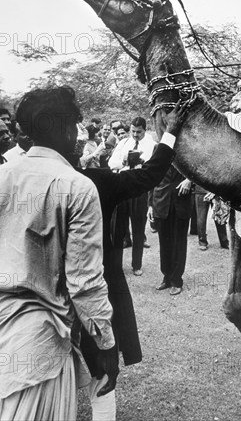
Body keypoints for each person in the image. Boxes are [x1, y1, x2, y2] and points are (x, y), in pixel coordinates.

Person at [0, 87, 118, 421]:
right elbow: (85, 282)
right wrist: (106, 345)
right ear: (66, 129)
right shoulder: (76, 186)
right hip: (40, 343)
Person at [75, 100, 191, 420]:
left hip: (47, 298)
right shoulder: (97, 180)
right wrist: (170, 133)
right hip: (99, 286)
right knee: (103, 365)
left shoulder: (12, 178)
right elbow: (151, 174)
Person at [150, 168, 193, 295]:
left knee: (179, 244)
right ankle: (167, 278)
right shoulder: (159, 149)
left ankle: (176, 281)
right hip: (161, 203)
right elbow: (152, 178)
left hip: (181, 202)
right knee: (164, 244)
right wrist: (150, 206)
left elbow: (198, 169)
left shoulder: (186, 149)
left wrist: (189, 180)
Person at [128, 117, 157, 275]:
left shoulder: (151, 145)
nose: (135, 135)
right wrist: (126, 162)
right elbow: (113, 162)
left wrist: (141, 164)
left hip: (140, 192)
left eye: (139, 132)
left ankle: (136, 265)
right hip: (124, 189)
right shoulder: (125, 143)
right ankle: (115, 264)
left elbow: (150, 169)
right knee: (119, 229)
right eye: (133, 131)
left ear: (144, 130)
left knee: (138, 230)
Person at [194, 184, 229, 251]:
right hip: (214, 189)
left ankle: (202, 243)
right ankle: (224, 241)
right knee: (218, 215)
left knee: (201, 216)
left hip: (203, 189)